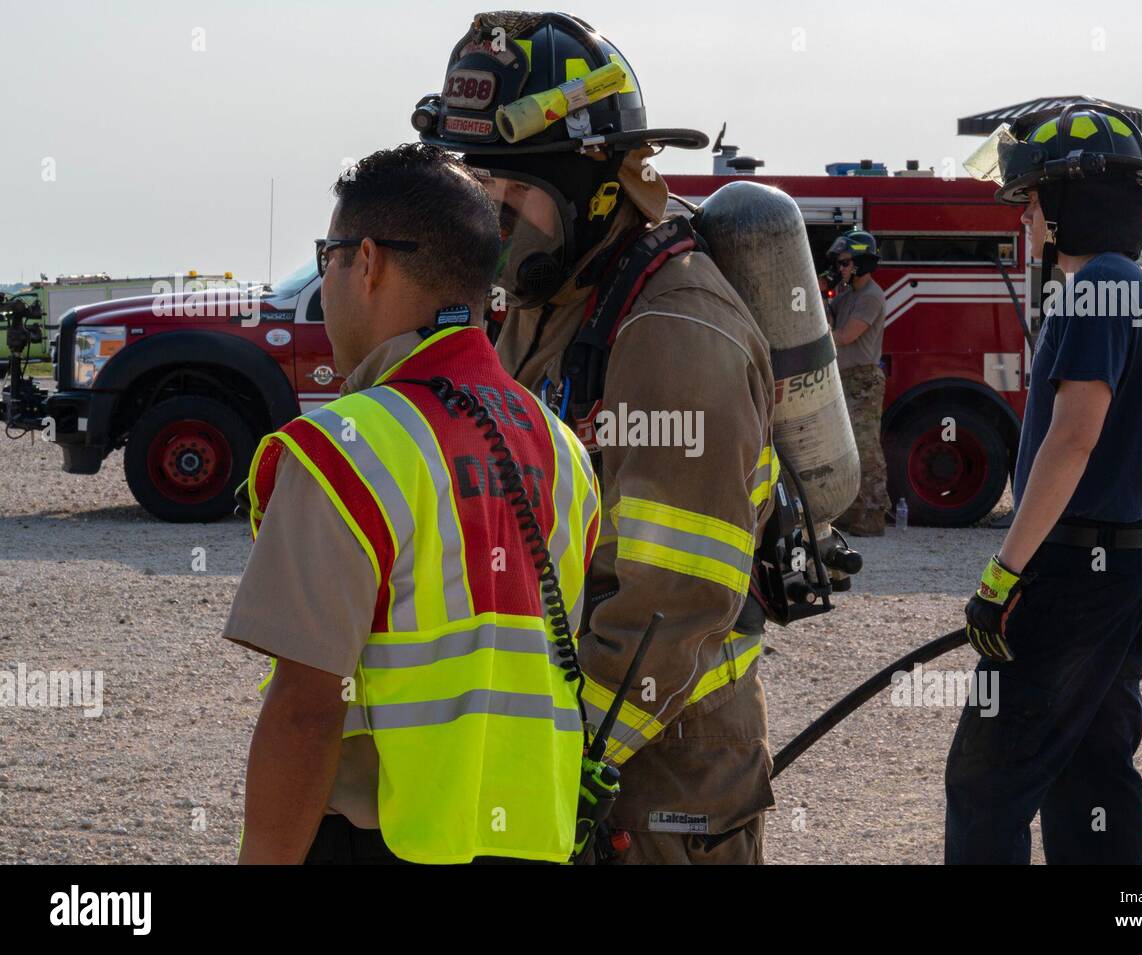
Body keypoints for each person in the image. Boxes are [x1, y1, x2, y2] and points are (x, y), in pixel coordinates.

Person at [412, 11, 779, 863]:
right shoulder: (551, 298)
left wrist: (564, 754)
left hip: (661, 785)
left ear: (596, 185)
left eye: (513, 194)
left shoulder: (674, 330)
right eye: (479, 188)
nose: (490, 222)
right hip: (575, 748)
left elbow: (675, 595)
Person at [224, 143, 601, 865]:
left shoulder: (346, 451)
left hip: (381, 845)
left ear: (364, 262)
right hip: (533, 845)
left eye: (327, 255)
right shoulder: (563, 453)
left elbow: (307, 710)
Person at [947, 103, 1142, 864]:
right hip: (1117, 573)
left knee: (990, 780)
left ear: (1069, 203)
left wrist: (1003, 572)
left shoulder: (1095, 292)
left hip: (1064, 580)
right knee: (1092, 773)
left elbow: (1074, 437)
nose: (1025, 217)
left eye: (1033, 199)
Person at [825, 229, 890, 536]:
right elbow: (824, 315)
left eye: (845, 263)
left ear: (861, 263)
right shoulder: (848, 294)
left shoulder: (871, 297)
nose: (841, 269)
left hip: (862, 381)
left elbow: (844, 336)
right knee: (845, 450)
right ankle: (853, 512)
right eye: (839, 264)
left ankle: (875, 514)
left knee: (866, 450)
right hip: (845, 378)